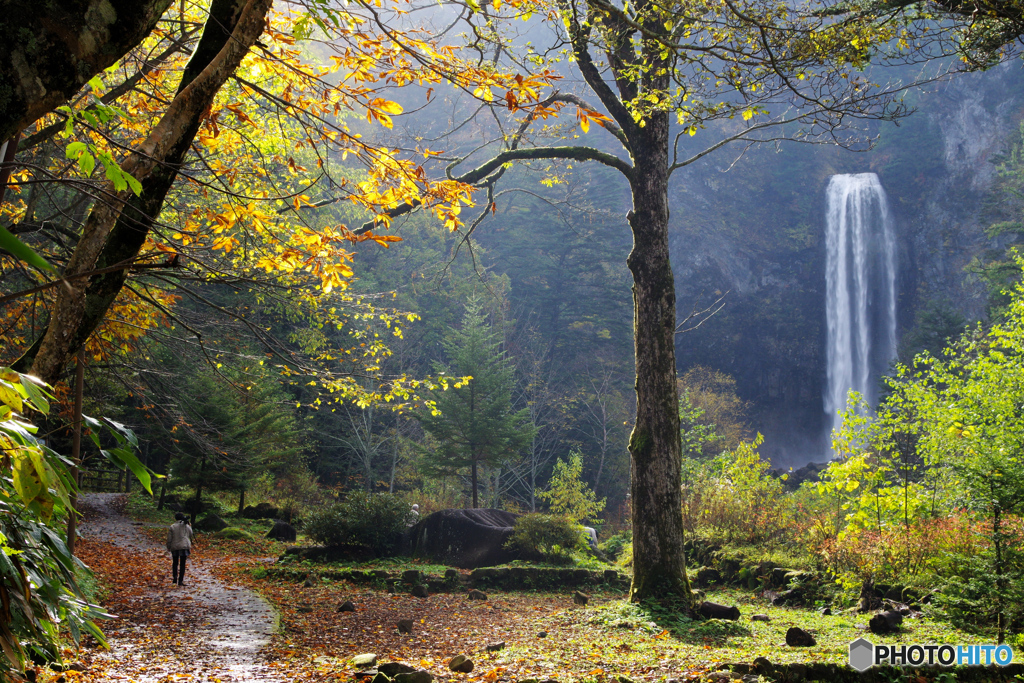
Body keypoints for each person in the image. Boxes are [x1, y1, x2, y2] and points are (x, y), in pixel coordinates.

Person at [166, 512, 195, 586]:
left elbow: (169, 538)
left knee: (175, 563)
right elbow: (191, 534)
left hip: (175, 546)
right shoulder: (186, 526)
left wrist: (168, 546)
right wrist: (189, 525)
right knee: (182, 564)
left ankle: (175, 577)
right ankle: (180, 580)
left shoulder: (172, 526)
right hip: (184, 546)